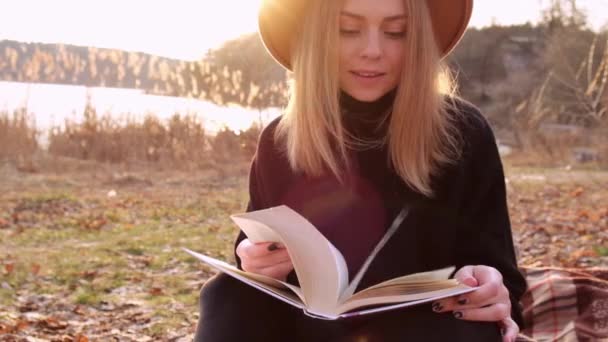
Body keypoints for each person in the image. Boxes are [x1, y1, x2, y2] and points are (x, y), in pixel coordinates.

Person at [195, 0, 528, 340]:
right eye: (348, 30)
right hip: (305, 327)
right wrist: (254, 262)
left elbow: (502, 278)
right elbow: (252, 267)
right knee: (226, 294)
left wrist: (491, 286)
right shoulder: (281, 140)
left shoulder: (464, 133)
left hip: (425, 328)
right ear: (315, 37)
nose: (372, 50)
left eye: (396, 32)